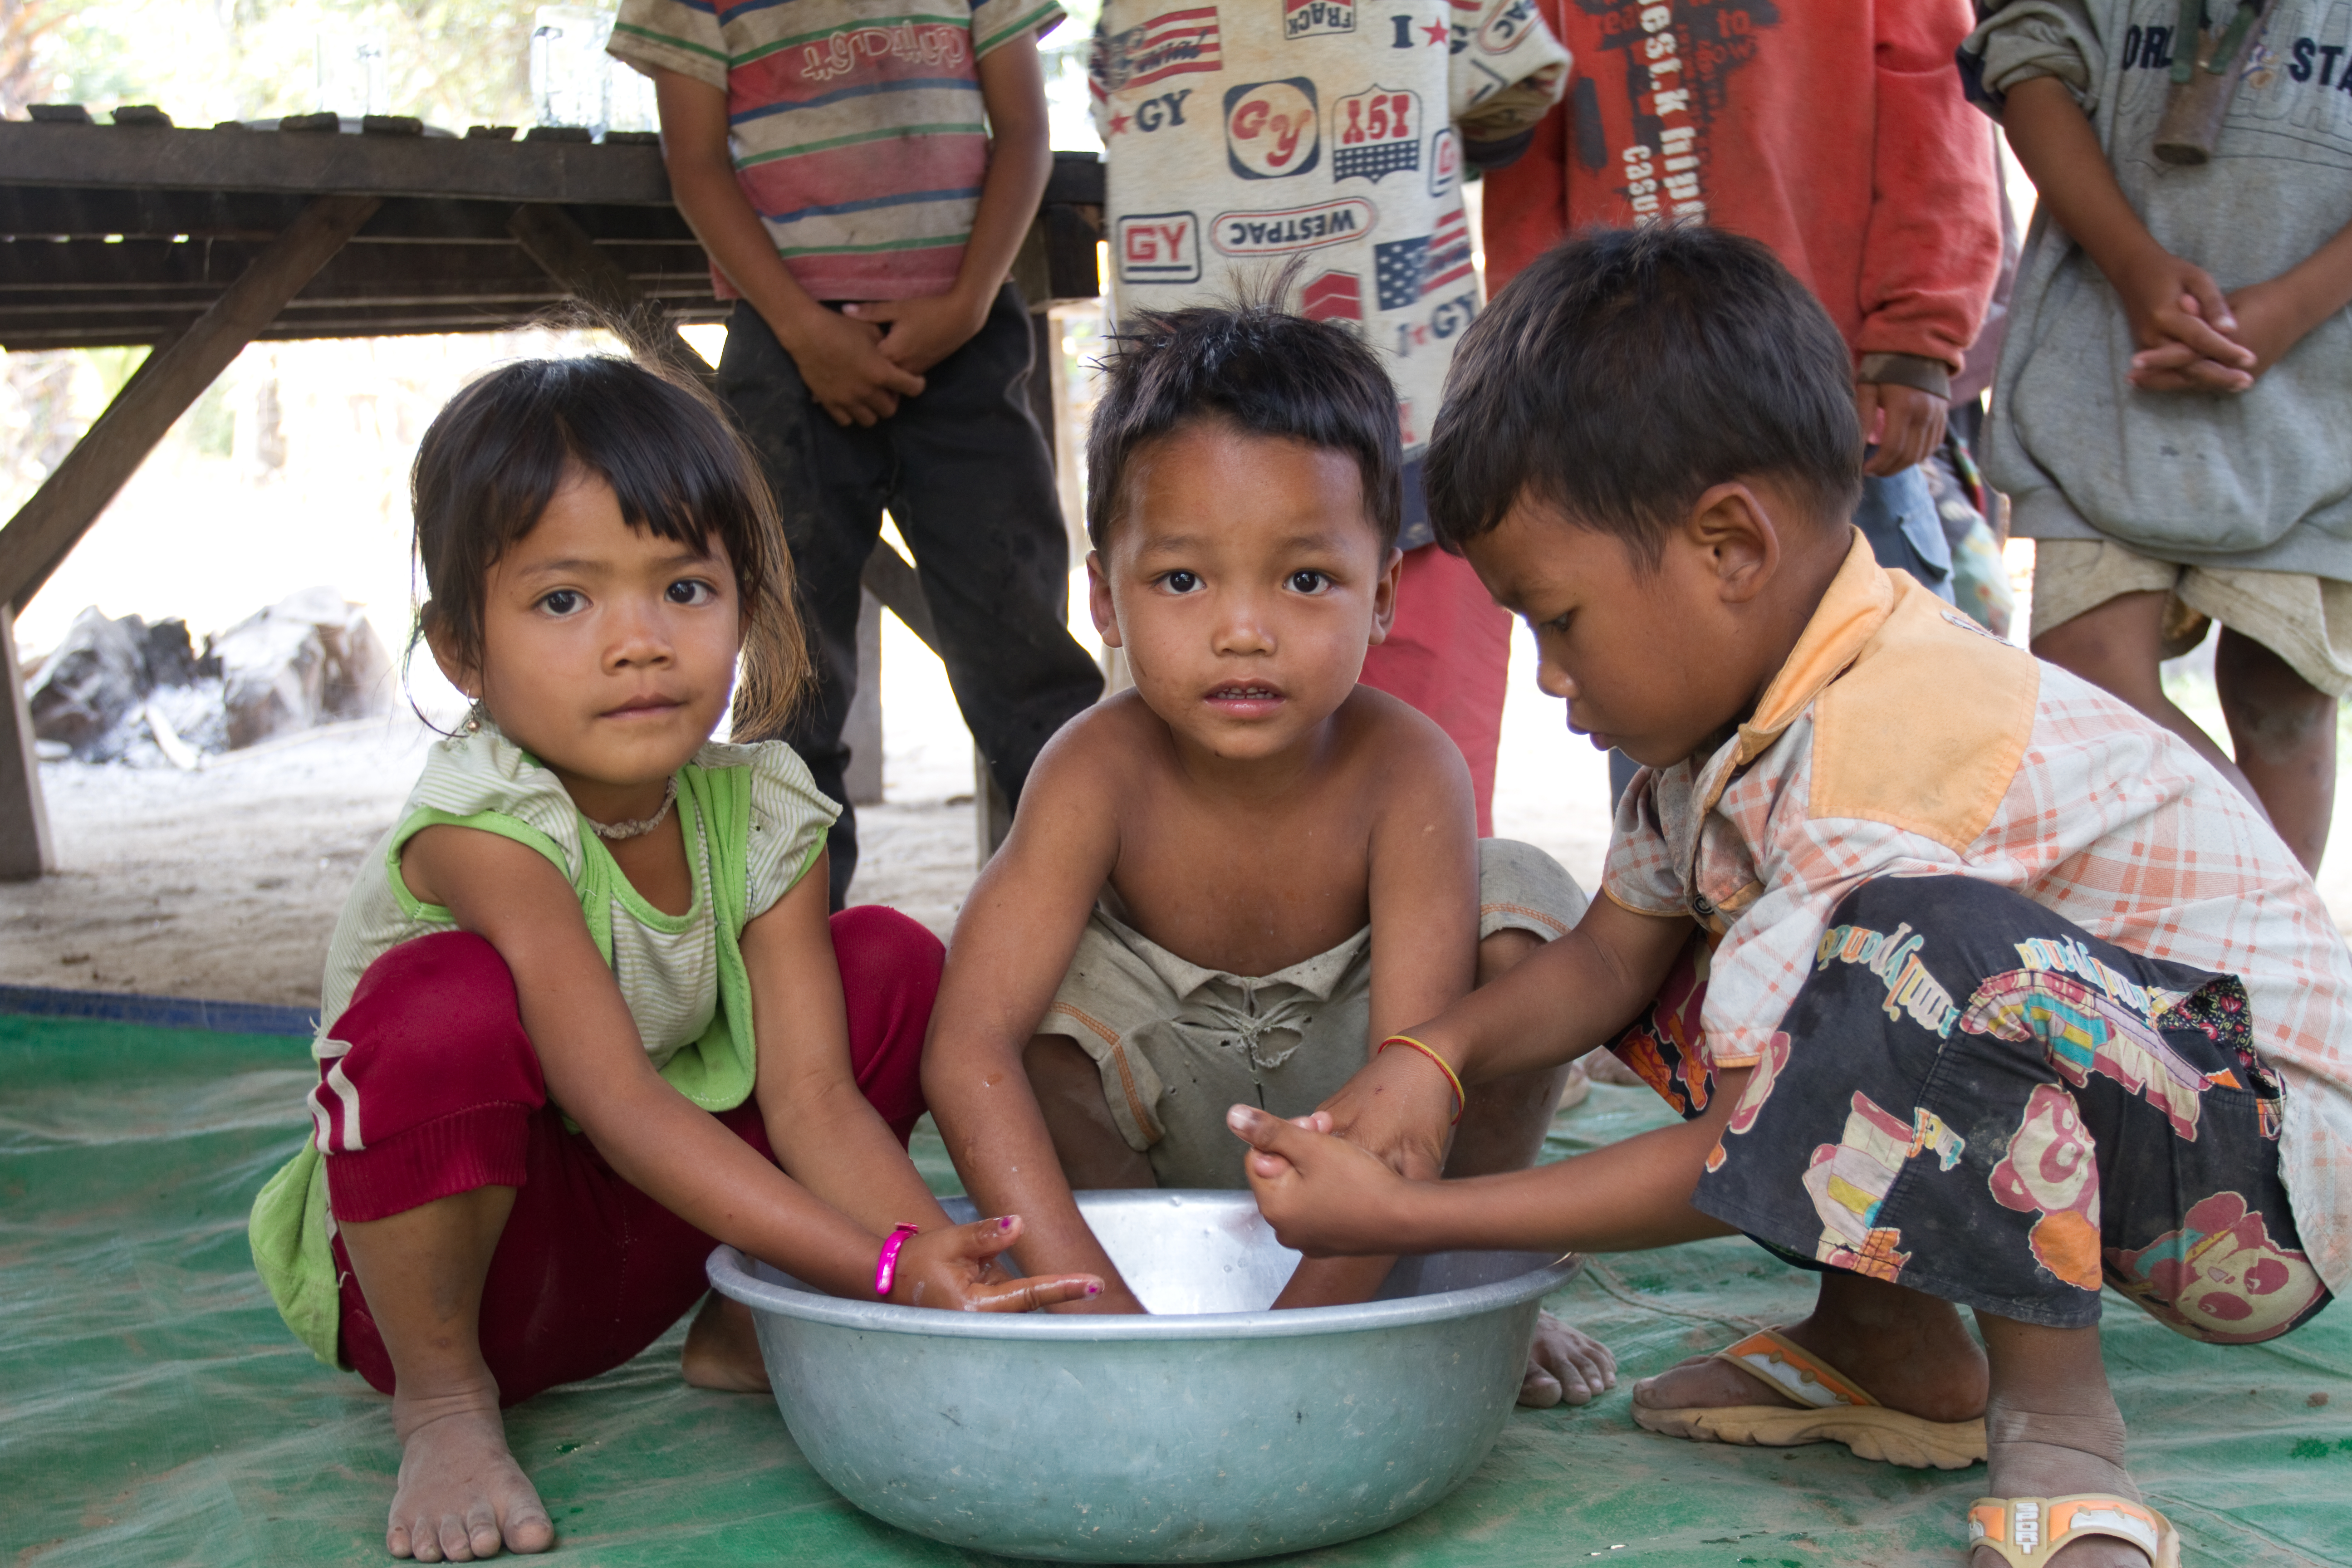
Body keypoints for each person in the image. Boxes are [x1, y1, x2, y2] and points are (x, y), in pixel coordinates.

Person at [1225, 227, 2351, 1568]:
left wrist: (1414, 1222)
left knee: (1919, 954)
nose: (1547, 676)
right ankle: (1890, 1344)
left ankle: (2061, 1430)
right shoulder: (1735, 734)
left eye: (1559, 619)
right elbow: (1607, 964)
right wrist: (1433, 1055)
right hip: (2134, 1114)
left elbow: (1738, 1154)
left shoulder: (1881, 751)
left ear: (1730, 546)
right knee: (1746, 970)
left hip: (2255, 1175)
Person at [245, 359, 1101, 1563]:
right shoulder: (485, 828)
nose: (639, 643)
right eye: (564, 601)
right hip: (470, 1281)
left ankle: (751, 1323)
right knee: (442, 1006)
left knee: (890, 965)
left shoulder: (761, 809)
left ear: (747, 605)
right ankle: (442, 1408)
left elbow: (814, 1101)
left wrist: (935, 1290)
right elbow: (622, 1106)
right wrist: (887, 1263)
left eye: (686, 588)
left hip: (650, 1240)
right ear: (461, 651)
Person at [921, 299, 1617, 1408]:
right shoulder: (1092, 770)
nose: (1243, 631)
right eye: (1182, 580)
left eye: (1304, 580)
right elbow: (969, 1053)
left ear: (1382, 594)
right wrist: (1106, 1329)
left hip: (1375, 1143)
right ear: (1104, 598)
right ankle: (1129, 1289)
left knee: (1524, 912)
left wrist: (1286, 1355)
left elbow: (1414, 1090)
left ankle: (1461, 1281)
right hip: (1156, 1157)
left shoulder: (1408, 771)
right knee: (1022, 991)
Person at [611, 0, 1103, 907]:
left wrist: (965, 305)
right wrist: (805, 333)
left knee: (1027, 661)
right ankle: (793, 946)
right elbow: (697, 164)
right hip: (788, 351)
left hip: (965, 334)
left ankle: (1095, 929)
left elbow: (1025, 133)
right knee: (789, 681)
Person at [1086, 0, 1569, 833]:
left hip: (1224, 441)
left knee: (1398, 794)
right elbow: (1509, 106)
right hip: (1401, 421)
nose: (1247, 634)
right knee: (1415, 786)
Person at [1961, 3, 2352, 874]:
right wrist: (2133, 265)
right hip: (2105, 356)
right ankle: (2269, 918)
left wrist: (2296, 306)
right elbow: (2029, 57)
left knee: (2281, 697)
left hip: (2321, 383)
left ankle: (2263, 945)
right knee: (2087, 676)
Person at [1480, 0, 2001, 611]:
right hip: (1627, 414)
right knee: (1666, 645)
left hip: (1833, 402)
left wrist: (1917, 336)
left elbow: (1935, 107)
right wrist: (1533, 364)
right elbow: (1529, 167)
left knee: (1880, 640)